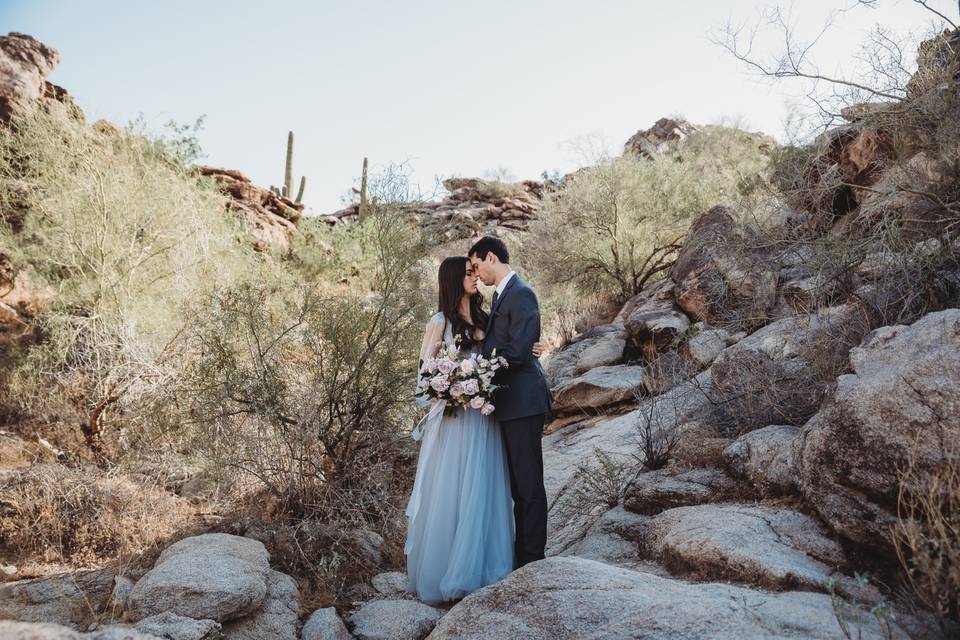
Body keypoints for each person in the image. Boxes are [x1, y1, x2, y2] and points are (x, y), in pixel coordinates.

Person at [404, 256, 546, 604]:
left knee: (486, 489)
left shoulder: (486, 317)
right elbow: (424, 380)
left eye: (475, 270)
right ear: (454, 280)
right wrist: (451, 387)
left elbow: (505, 353)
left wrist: (532, 349)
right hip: (455, 422)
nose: (475, 276)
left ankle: (488, 567)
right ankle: (451, 569)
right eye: (468, 273)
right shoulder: (439, 322)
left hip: (484, 419)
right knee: (454, 491)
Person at [468, 236, 552, 568]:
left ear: (491, 257)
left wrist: (474, 368)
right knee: (517, 483)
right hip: (509, 403)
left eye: (477, 266)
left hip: (523, 402)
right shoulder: (503, 297)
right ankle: (521, 554)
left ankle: (532, 558)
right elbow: (513, 345)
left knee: (528, 483)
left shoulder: (522, 293)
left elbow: (517, 352)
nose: (477, 274)